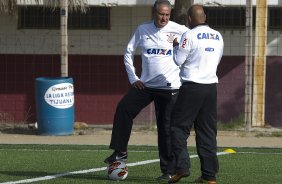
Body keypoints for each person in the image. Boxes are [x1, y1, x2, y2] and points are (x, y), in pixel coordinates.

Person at [103, 0, 188, 180]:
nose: (164, 18)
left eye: (167, 14)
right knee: (124, 108)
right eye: (160, 14)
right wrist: (133, 78)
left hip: (170, 88)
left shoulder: (180, 30)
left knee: (165, 129)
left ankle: (168, 171)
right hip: (146, 85)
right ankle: (120, 153)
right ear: (154, 13)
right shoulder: (143, 29)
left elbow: (192, 49)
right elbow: (128, 52)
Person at [166, 4, 224, 184]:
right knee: (207, 131)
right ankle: (209, 175)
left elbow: (178, 60)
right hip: (210, 88)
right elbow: (218, 58)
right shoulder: (218, 36)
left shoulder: (188, 35)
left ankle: (182, 167)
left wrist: (175, 46)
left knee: (178, 127)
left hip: (192, 87)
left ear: (189, 19)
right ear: (204, 17)